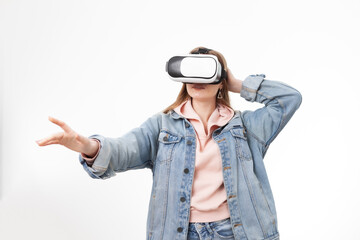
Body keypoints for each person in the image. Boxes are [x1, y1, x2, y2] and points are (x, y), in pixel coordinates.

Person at [36, 47, 302, 240]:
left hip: (235, 232)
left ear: (219, 80)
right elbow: (123, 150)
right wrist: (85, 145)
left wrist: (237, 84)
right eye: (192, 71)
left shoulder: (246, 127)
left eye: (206, 71)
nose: (198, 79)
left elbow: (289, 99)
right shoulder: (162, 126)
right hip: (180, 232)